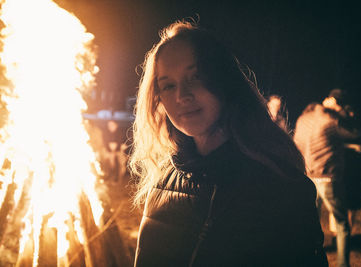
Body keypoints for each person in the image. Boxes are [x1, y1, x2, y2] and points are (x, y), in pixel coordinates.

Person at [129, 20, 327, 266]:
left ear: (223, 80)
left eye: (196, 77)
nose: (182, 96)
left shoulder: (280, 187)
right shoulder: (162, 180)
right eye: (168, 85)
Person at [294, 89, 360, 267]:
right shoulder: (331, 121)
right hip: (327, 177)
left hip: (308, 177)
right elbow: (356, 134)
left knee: (310, 223)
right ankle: (343, 264)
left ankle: (309, 259)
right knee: (342, 224)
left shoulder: (302, 120)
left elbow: (296, 145)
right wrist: (340, 110)